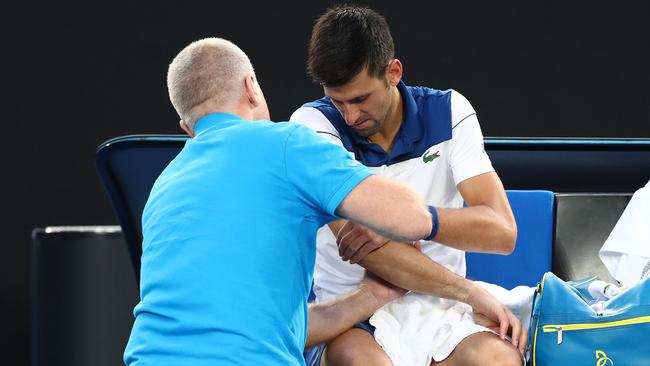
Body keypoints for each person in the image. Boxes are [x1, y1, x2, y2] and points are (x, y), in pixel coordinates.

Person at [123, 37, 451, 366]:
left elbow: (273, 330)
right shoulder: (286, 144)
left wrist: (371, 296)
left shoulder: (162, 187)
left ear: (187, 128)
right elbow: (414, 218)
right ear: (251, 87)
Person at [290, 5, 525, 366]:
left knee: (499, 361)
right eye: (339, 101)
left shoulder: (450, 111)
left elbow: (502, 231)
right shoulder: (312, 126)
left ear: (393, 72)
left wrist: (417, 221)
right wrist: (470, 292)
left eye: (360, 99)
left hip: (443, 310)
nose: (351, 116)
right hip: (354, 314)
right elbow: (368, 251)